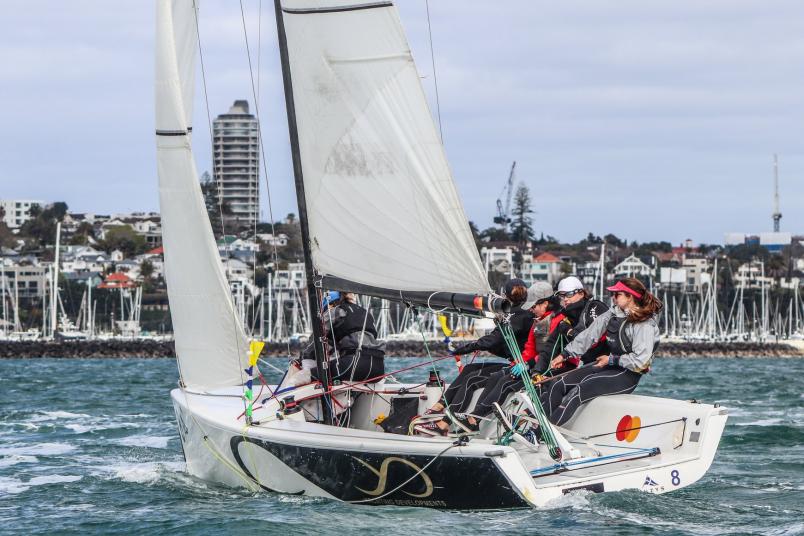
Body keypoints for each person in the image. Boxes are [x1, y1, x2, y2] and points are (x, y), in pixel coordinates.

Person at [413, 278, 533, 435]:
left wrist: (462, 349)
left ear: (504, 295)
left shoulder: (516, 317)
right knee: (469, 368)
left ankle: (444, 424)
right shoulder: (515, 316)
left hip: (519, 367)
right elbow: (502, 345)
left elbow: (491, 341)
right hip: (515, 363)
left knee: (472, 380)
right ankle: (440, 405)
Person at [540, 277, 662, 426]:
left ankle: (543, 434)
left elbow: (641, 362)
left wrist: (611, 360)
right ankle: (535, 428)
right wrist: (565, 354)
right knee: (559, 384)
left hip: (626, 375)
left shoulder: (645, 324)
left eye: (617, 294)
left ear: (630, 297)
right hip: (607, 366)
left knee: (576, 392)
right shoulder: (613, 314)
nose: (613, 298)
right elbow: (589, 334)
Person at [299, 291, 385, 383]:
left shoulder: (334, 311)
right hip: (378, 368)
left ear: (330, 305)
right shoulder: (365, 313)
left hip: (353, 365)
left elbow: (315, 343)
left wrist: (304, 358)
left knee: (303, 376)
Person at [533, 276, 608, 374]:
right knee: (552, 384)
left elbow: (589, 339)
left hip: (607, 364)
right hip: (589, 366)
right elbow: (549, 348)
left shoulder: (595, 308)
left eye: (569, 295)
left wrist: (569, 331)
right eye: (562, 296)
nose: (565, 299)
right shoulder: (566, 319)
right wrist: (537, 371)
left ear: (581, 293)